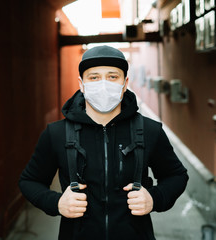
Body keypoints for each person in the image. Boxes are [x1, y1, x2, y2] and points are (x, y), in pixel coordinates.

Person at [19, 45, 189, 240]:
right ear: (82, 84)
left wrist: (154, 198)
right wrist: (57, 203)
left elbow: (176, 176)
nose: (103, 84)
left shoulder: (150, 130)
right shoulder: (56, 133)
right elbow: (29, 181)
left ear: (124, 84)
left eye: (112, 77)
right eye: (94, 77)